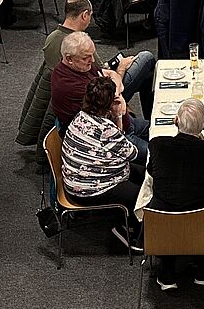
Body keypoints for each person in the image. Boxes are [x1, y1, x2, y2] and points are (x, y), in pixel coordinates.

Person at [145, 97, 204, 289]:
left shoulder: (157, 145)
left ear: (176, 121)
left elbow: (151, 170)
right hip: (199, 224)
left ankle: (167, 270)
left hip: (160, 225)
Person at [60, 76, 144, 250]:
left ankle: (130, 222)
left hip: (76, 181)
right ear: (109, 103)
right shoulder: (106, 129)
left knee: (143, 173)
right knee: (142, 194)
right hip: (90, 189)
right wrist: (119, 115)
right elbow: (132, 153)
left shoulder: (81, 117)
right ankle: (136, 237)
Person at [49, 30, 155, 134]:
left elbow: (110, 74)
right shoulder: (72, 86)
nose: (92, 60)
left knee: (159, 131)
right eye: (86, 57)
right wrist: (117, 94)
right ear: (69, 59)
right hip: (108, 134)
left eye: (92, 55)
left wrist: (117, 94)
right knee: (159, 142)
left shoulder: (80, 67)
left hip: (121, 122)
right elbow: (115, 112)